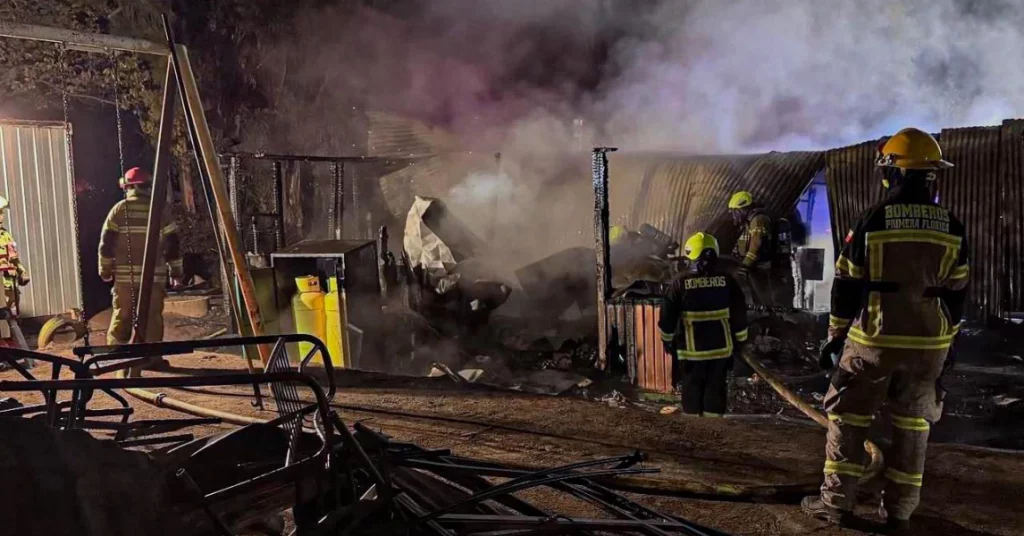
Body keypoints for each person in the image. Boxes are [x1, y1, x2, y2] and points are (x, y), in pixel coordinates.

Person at [801, 128, 968, 534]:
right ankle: (900, 512)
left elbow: (846, 284)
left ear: (892, 174)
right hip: (928, 344)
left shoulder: (873, 219)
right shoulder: (951, 226)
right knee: (913, 425)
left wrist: (836, 337)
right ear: (930, 176)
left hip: (874, 339)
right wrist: (948, 343)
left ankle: (836, 504)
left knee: (848, 415)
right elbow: (958, 293)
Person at [658, 232, 748, 417]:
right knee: (715, 392)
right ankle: (712, 432)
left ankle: (695, 434)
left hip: (691, 354)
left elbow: (667, 317)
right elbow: (740, 314)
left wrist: (667, 340)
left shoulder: (679, 284)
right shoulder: (728, 281)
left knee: (692, 393)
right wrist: (740, 341)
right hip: (721, 352)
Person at [98, 167, 183, 345]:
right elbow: (173, 244)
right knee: (152, 318)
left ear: (128, 188)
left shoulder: (119, 211)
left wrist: (105, 270)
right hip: (154, 277)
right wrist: (176, 272)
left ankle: (118, 355)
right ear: (147, 187)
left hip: (125, 278)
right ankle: (152, 357)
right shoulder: (160, 211)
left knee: (123, 315)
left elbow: (106, 244)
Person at [728, 191, 792, 309]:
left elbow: (757, 243)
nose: (734, 216)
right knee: (760, 300)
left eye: (734, 212)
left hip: (763, 269)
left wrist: (745, 265)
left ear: (742, 209)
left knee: (765, 300)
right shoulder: (750, 221)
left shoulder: (759, 219)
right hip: (758, 269)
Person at [0, 194, 30, 351]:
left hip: (9, 281)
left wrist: (22, 271)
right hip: (0, 285)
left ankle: (13, 345)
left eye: (2, 212)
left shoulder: (5, 234)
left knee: (11, 313)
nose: (2, 216)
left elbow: (13, 257)